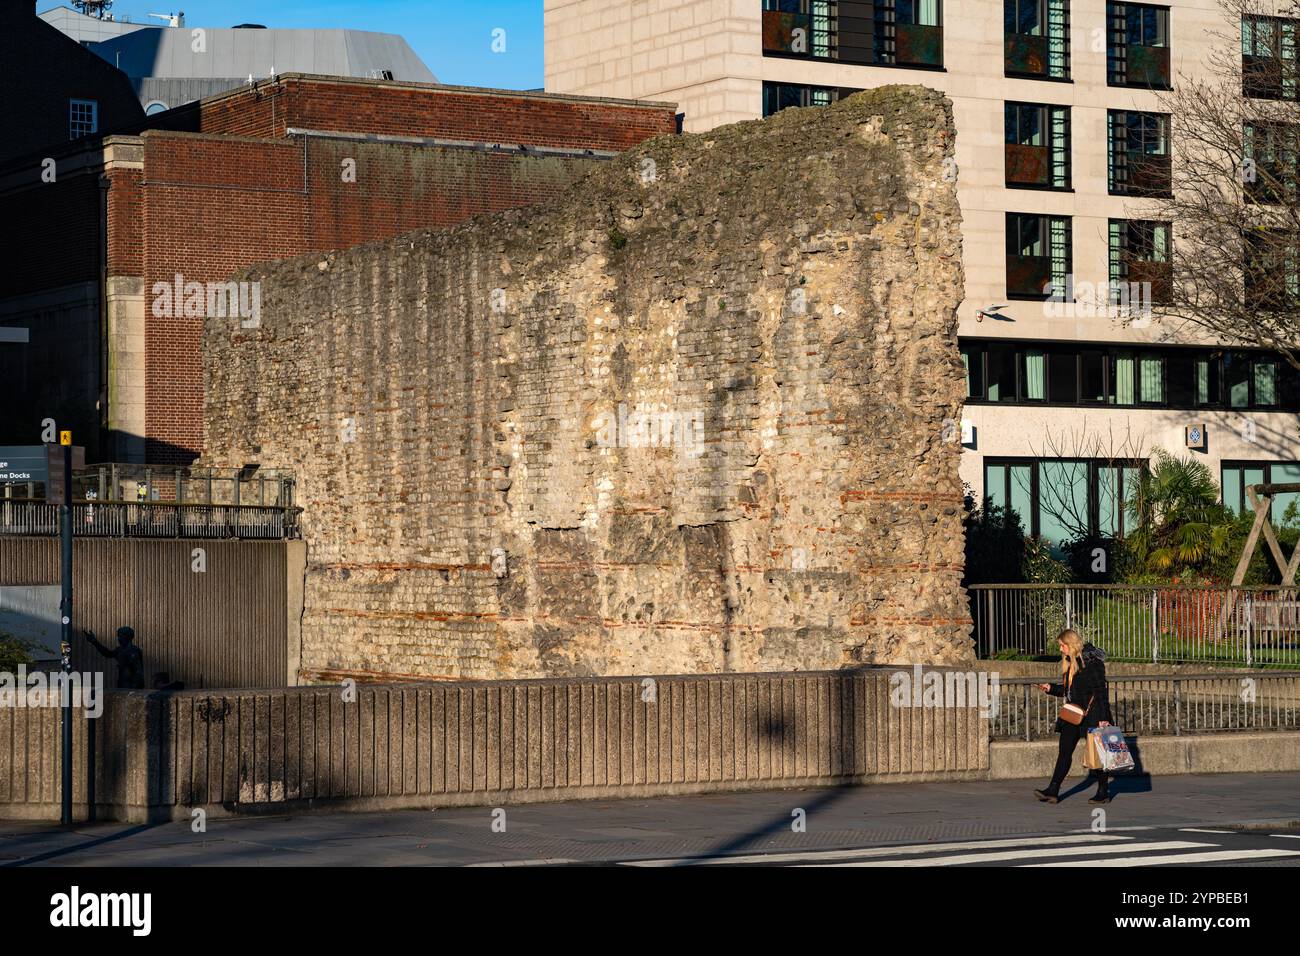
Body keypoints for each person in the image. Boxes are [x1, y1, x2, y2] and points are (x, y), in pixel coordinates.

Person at [1034, 629, 1113, 805]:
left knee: (1098, 753)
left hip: (1093, 715)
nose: (1061, 649)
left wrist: (1103, 718)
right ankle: (1053, 790)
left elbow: (1101, 692)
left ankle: (1103, 791)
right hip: (1073, 714)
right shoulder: (1070, 663)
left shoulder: (1091, 662)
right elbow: (1069, 691)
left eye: (1062, 646)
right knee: (1064, 752)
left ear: (1071, 644)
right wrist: (1051, 689)